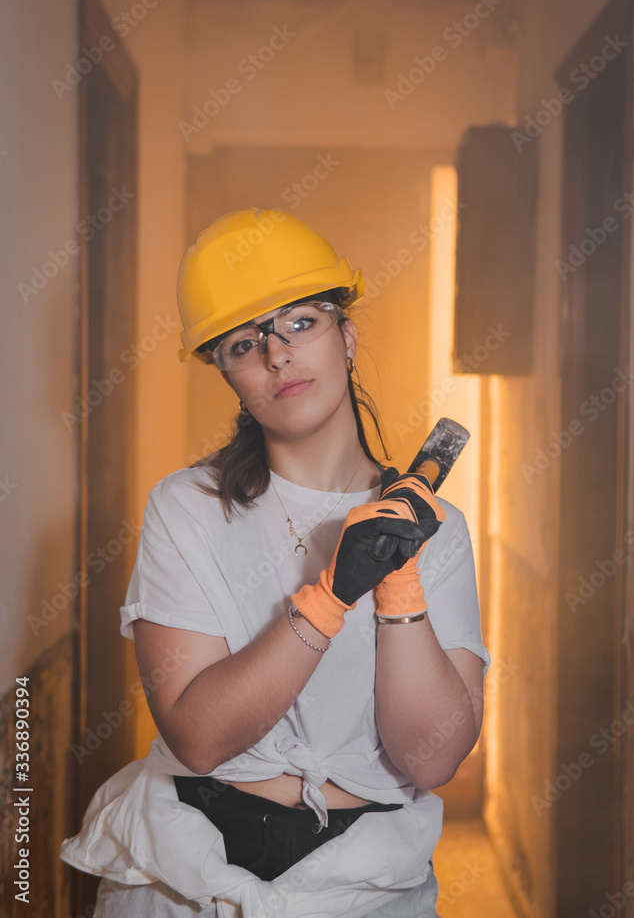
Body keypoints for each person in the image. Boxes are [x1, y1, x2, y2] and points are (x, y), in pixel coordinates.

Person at [60, 207, 490, 917]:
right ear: (225, 372)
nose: (276, 355)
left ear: (346, 337)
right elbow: (199, 738)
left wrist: (396, 579)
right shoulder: (187, 507)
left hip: (366, 887)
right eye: (241, 343)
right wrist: (328, 595)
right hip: (187, 875)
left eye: (300, 323)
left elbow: (430, 759)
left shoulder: (433, 530)